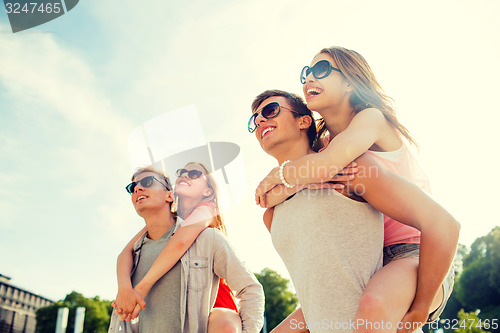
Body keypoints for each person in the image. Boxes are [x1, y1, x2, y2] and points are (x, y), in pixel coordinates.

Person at [253, 46, 457, 333]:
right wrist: (281, 188)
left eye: (321, 70)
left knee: (373, 306)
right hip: (368, 263)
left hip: (418, 253)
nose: (309, 79)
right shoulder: (324, 149)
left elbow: (320, 168)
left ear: (350, 81)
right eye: (306, 73)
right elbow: (303, 179)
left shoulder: (371, 120)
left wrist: (421, 309)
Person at [108, 165, 264, 333]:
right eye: (132, 187)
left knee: (225, 320)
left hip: (217, 311)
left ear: (169, 195)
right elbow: (124, 253)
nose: (137, 188)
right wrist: (124, 289)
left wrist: (140, 289)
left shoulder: (205, 219)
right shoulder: (139, 248)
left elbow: (180, 242)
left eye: (147, 181)